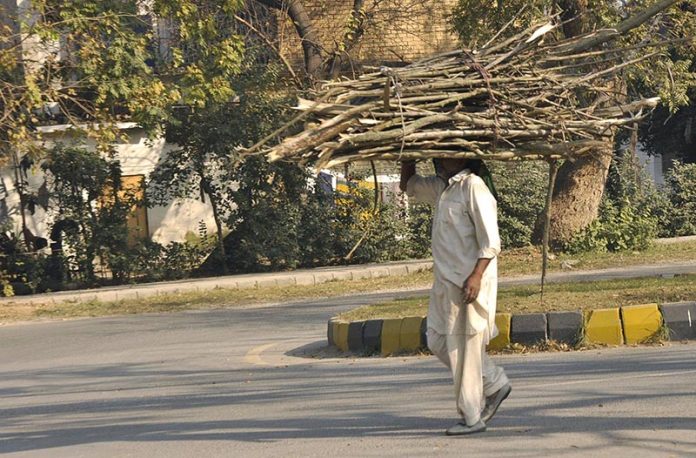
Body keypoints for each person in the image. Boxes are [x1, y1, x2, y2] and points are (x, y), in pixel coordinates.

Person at [400, 157, 511, 436]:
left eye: (445, 153)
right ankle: (494, 382)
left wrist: (475, 276)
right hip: (444, 282)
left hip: (468, 283)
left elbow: (491, 242)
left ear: (462, 155)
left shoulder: (473, 187)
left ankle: (472, 417)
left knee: (464, 349)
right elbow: (408, 186)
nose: (439, 158)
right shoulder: (443, 188)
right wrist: (407, 158)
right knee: (437, 340)